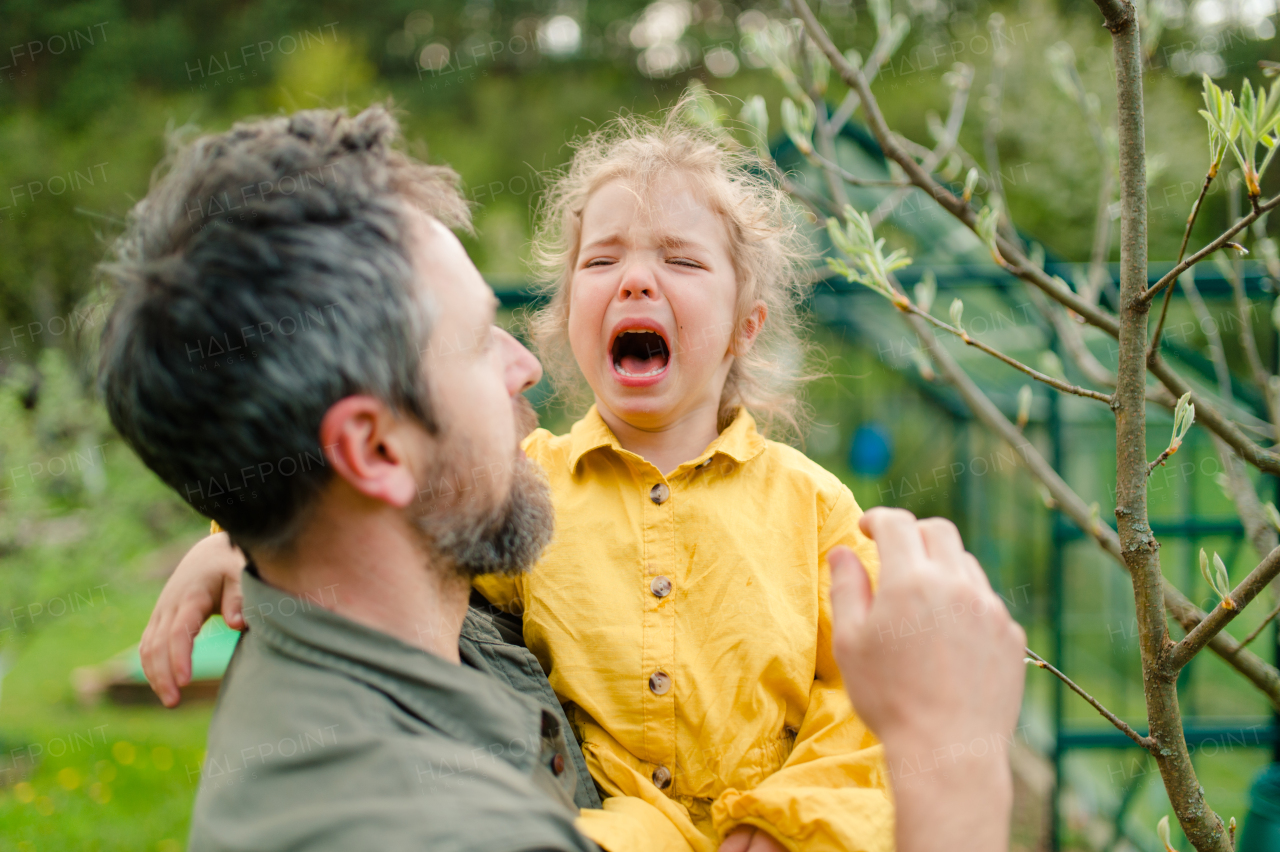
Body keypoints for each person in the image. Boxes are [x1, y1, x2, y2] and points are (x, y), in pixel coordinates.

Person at [121, 104, 1026, 852]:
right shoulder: (530, 493)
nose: (635, 283)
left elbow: (851, 705)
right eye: (600, 263)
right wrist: (961, 761)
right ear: (376, 453)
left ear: (748, 326)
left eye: (678, 261)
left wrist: (790, 820)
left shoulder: (811, 505)